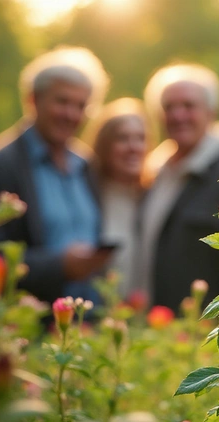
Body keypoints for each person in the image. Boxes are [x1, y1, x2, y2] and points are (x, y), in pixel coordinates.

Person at [0, 46, 112, 306]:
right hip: (28, 324)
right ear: (33, 99)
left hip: (88, 321)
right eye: (62, 101)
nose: (71, 114)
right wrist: (59, 266)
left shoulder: (86, 164)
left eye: (81, 105)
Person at [138, 63, 219, 313]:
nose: (177, 116)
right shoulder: (156, 171)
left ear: (212, 111)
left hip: (205, 329)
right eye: (169, 107)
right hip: (163, 326)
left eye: (188, 106)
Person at [82, 98, 151, 298]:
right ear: (104, 145)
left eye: (140, 138)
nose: (133, 147)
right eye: (122, 138)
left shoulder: (153, 193)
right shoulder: (88, 193)